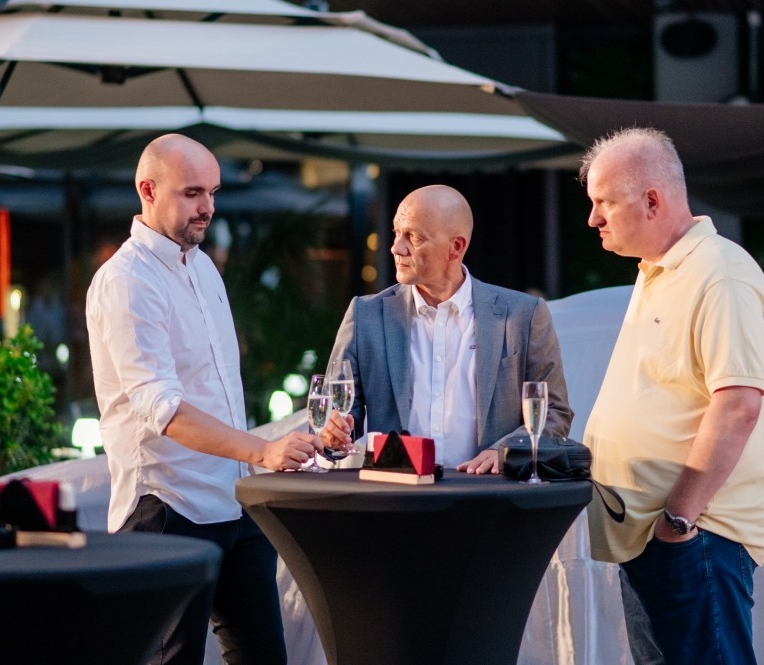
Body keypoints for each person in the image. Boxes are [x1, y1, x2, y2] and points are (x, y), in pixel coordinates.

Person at [85, 133, 319, 665]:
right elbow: (163, 409)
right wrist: (263, 451)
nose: (208, 207)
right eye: (192, 193)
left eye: (212, 192)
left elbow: (218, 391)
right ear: (147, 190)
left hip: (232, 501)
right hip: (167, 506)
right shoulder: (126, 281)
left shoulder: (204, 267)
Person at [579, 127, 764, 665]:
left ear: (651, 201)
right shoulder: (661, 270)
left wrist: (678, 522)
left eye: (604, 203)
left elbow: (737, 406)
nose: (593, 219)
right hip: (660, 535)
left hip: (695, 536)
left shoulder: (720, 274)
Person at [321, 184, 572, 472]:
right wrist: (334, 433)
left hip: (488, 492)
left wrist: (506, 452)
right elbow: (335, 415)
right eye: (397, 233)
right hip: (396, 489)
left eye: (414, 237)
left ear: (456, 247)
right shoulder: (366, 315)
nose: (396, 247)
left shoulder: (524, 315)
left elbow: (554, 412)